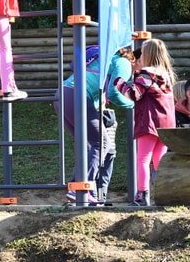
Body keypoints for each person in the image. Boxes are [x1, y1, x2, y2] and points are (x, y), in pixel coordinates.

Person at [55, 45, 136, 204]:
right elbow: (114, 92)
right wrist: (134, 104)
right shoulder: (123, 62)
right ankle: (82, 188)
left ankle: (76, 190)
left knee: (87, 146)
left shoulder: (103, 58)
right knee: (102, 143)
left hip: (62, 95)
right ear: (134, 58)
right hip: (77, 97)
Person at [113, 38, 176, 206]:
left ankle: (142, 195)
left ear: (148, 54)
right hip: (167, 122)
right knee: (159, 159)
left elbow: (134, 94)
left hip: (149, 120)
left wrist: (118, 83)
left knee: (143, 158)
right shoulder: (167, 75)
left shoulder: (147, 73)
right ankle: (166, 192)